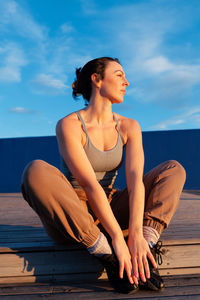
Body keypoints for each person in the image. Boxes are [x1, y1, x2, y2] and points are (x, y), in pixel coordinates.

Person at [21, 57, 186, 294]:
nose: (126, 82)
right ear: (96, 79)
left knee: (173, 169)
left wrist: (138, 235)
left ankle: (144, 252)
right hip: (73, 215)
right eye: (119, 75)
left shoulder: (129, 126)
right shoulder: (69, 124)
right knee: (35, 170)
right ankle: (108, 256)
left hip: (111, 206)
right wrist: (117, 240)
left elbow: (136, 182)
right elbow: (89, 185)